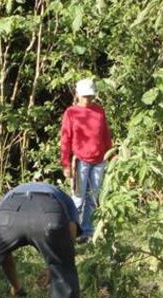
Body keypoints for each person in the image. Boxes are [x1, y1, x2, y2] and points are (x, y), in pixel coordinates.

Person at [59, 77, 112, 242]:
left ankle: (87, 232)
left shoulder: (99, 111)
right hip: (80, 161)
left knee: (93, 198)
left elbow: (105, 135)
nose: (87, 99)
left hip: (99, 160)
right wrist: (66, 164)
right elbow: (65, 139)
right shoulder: (71, 112)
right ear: (78, 95)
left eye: (90, 96)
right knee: (78, 199)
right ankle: (71, 233)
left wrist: (112, 154)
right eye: (84, 96)